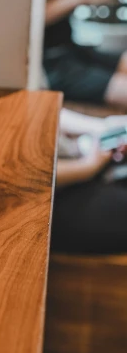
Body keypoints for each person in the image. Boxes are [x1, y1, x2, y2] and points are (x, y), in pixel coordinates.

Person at [51, 108, 127, 254]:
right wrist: (87, 167)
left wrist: (103, 129)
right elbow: (29, 176)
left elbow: (49, 109)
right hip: (50, 196)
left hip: (79, 163)